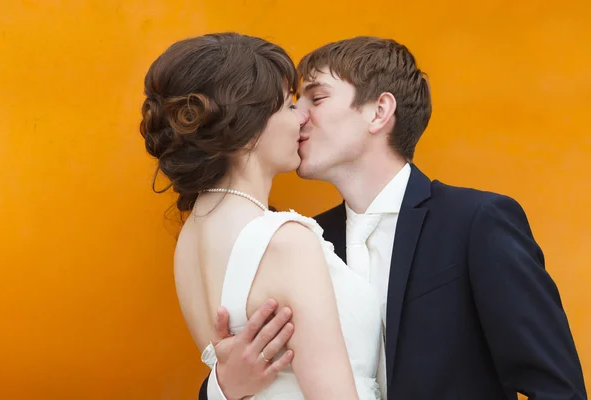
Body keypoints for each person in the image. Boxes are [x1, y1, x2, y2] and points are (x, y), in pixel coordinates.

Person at [200, 36, 587, 399]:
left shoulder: (477, 223)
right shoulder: (303, 240)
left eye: (315, 98)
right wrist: (223, 384)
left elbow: (557, 387)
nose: (297, 116)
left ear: (379, 112)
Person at [140, 33, 384, 399]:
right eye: (288, 104)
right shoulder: (286, 240)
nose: (303, 115)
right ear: (246, 127)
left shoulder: (190, 239)